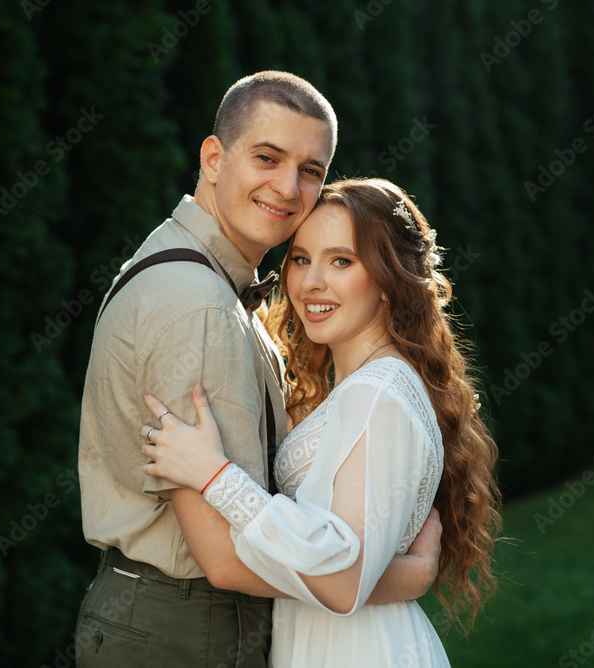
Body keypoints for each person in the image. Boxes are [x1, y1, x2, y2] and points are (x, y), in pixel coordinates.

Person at [74, 73, 441, 667]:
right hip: (187, 623)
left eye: (311, 170)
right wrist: (409, 575)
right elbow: (222, 558)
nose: (288, 187)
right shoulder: (196, 303)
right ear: (214, 158)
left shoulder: (200, 282)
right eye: (267, 158)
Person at [141, 177, 502, 667]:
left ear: (388, 281)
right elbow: (350, 567)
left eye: (341, 261)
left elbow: (342, 582)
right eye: (302, 258)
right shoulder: (371, 385)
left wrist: (214, 476)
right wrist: (408, 573)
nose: (311, 281)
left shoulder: (378, 394)